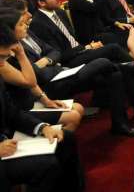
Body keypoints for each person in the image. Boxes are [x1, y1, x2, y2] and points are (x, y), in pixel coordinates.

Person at [2, 6, 134, 136]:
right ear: (10, 30)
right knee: (104, 62)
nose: (27, 21)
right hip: (50, 84)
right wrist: (45, 64)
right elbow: (34, 77)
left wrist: (46, 62)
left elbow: (54, 52)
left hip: (59, 72)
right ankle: (132, 68)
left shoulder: (28, 35)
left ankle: (122, 122)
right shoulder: (10, 51)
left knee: (114, 75)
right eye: (21, 23)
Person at [0, 51, 84, 192]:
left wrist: (42, 127)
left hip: (7, 138)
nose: (3, 63)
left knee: (65, 138)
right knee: (47, 165)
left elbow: (13, 114)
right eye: (2, 57)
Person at [0, 12, 83, 131]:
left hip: (29, 100)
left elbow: (33, 84)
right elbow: (30, 81)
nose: (26, 26)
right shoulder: (5, 58)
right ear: (9, 31)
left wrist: (46, 100)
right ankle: (56, 144)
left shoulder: (15, 47)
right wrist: (21, 54)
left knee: (78, 108)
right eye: (21, 24)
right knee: (73, 116)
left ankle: (57, 142)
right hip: (19, 109)